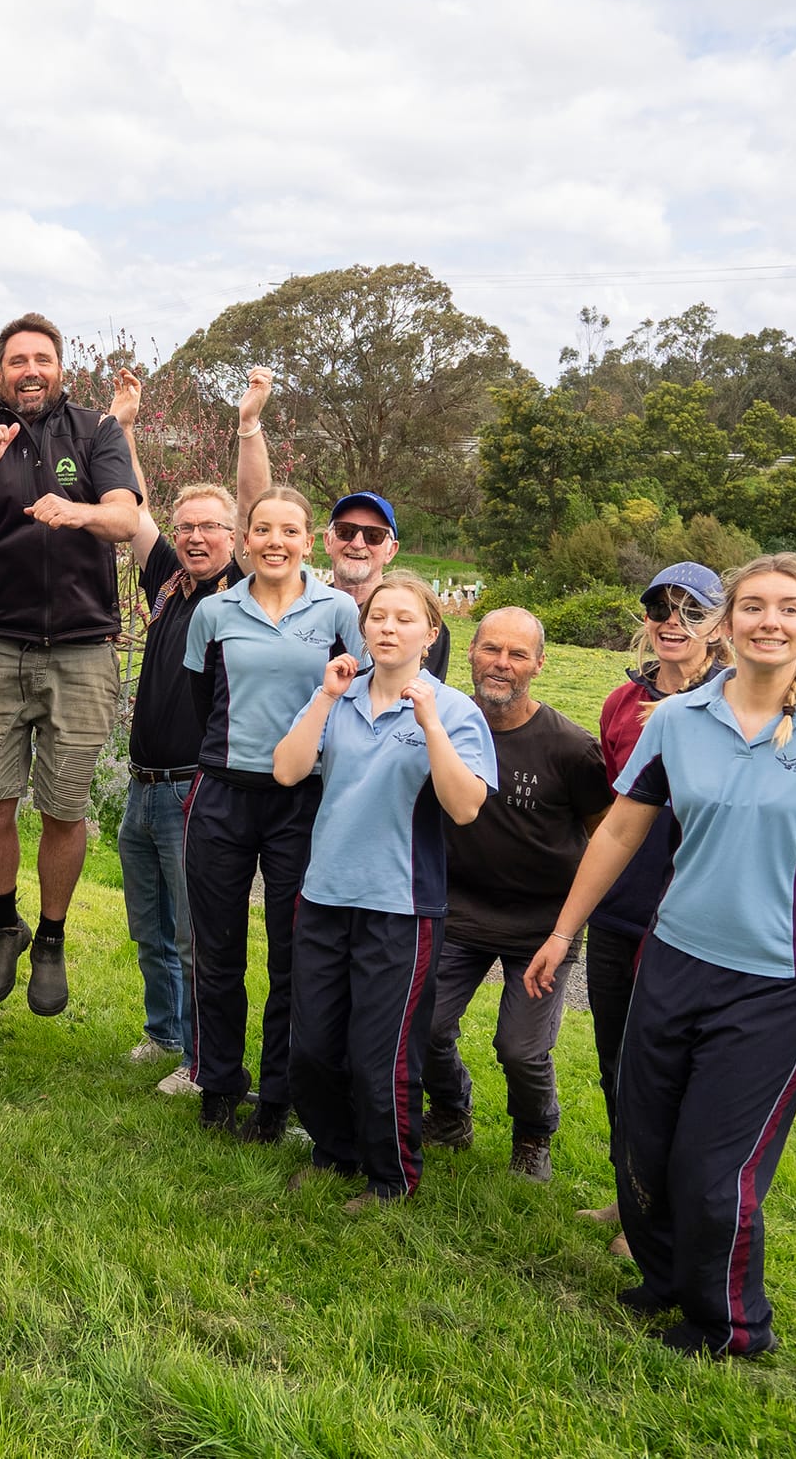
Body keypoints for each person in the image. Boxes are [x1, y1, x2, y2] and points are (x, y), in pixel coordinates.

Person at [526, 554, 796, 1358]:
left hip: (778, 985)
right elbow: (621, 830)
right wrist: (561, 933)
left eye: (787, 608)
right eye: (752, 605)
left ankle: (729, 1326)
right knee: (644, 1148)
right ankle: (663, 1282)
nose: (769, 620)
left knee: (714, 1171)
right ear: (729, 625)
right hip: (672, 962)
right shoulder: (677, 722)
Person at [273, 572, 496, 1211]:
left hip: (401, 908)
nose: (388, 629)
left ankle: (390, 1177)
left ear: (430, 634)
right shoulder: (336, 696)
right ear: (364, 628)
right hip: (324, 896)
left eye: (404, 619)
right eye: (378, 618)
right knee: (312, 1047)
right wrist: (322, 698)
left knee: (382, 1056)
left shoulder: (454, 711)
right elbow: (287, 771)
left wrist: (429, 726)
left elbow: (465, 808)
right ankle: (334, 1151)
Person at [0, 313, 140, 1015]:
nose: (30, 369)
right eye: (16, 360)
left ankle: (50, 939)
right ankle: (5, 924)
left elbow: (124, 519)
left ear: (60, 369)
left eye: (42, 358)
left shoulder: (97, 432)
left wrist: (75, 511)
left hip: (84, 650)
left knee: (64, 808)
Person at [112, 367, 274, 1094]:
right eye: (189, 528)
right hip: (142, 789)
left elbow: (257, 500)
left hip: (194, 791)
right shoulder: (169, 584)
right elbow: (135, 507)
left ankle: (202, 1062)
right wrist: (123, 427)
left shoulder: (238, 593)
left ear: (236, 539)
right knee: (150, 929)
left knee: (195, 934)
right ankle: (163, 1032)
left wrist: (247, 424)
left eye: (213, 527)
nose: (198, 536)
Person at [187, 485, 362, 1136]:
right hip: (222, 798)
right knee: (218, 949)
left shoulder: (340, 611)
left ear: (308, 541)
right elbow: (199, 698)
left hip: (303, 801)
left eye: (289, 531)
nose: (275, 542)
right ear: (246, 536)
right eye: (263, 530)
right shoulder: (215, 610)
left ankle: (279, 1096)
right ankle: (218, 1084)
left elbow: (360, 698)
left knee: (293, 954)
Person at [418, 608, 612, 1183]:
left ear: (539, 665)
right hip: (459, 911)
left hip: (542, 927)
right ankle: (451, 1114)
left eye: (517, 654)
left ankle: (533, 1135)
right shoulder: (443, 723)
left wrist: (571, 926)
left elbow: (607, 835)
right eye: (491, 649)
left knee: (521, 1048)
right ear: (470, 651)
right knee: (423, 1026)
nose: (501, 664)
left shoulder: (570, 749)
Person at [581, 562, 729, 1248]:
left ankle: (660, 1211)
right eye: (661, 609)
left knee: (664, 1070)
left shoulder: (733, 701)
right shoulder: (619, 704)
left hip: (689, 918)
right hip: (620, 911)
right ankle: (629, 1194)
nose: (673, 623)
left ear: (717, 625)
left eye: (691, 611)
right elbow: (612, 813)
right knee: (618, 1065)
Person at [324, 493, 449, 681]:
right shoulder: (307, 612)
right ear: (327, 541)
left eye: (373, 536)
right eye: (345, 531)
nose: (357, 544)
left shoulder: (422, 625)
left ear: (391, 550)